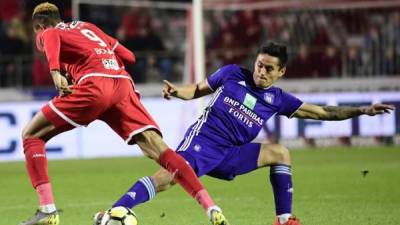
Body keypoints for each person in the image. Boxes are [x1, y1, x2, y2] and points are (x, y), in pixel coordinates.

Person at [96, 42, 395, 225]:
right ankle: (117, 210)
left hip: (233, 154)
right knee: (170, 178)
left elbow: (324, 113)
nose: (261, 71)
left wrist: (362, 110)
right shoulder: (231, 74)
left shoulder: (278, 99)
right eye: (259, 65)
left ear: (281, 73)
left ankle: (283, 220)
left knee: (280, 152)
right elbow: (196, 90)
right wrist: (177, 92)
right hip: (205, 142)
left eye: (269, 69)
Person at [20, 2, 228, 225]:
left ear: (38, 25)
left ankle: (48, 210)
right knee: (159, 149)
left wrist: (56, 73)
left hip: (93, 85)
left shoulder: (47, 31)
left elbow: (51, 35)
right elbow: (129, 57)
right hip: (122, 86)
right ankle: (210, 207)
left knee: (31, 135)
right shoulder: (88, 28)